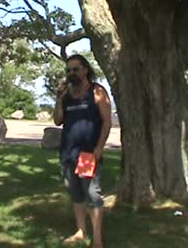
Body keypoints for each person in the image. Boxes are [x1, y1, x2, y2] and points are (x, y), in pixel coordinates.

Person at [53, 54, 112, 248]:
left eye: (75, 69)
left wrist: (99, 148)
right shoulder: (66, 95)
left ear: (85, 70)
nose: (72, 73)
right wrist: (59, 99)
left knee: (92, 194)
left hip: (87, 153)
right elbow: (58, 120)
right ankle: (80, 231)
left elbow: (107, 122)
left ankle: (97, 239)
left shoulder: (97, 91)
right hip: (68, 152)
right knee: (76, 193)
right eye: (68, 70)